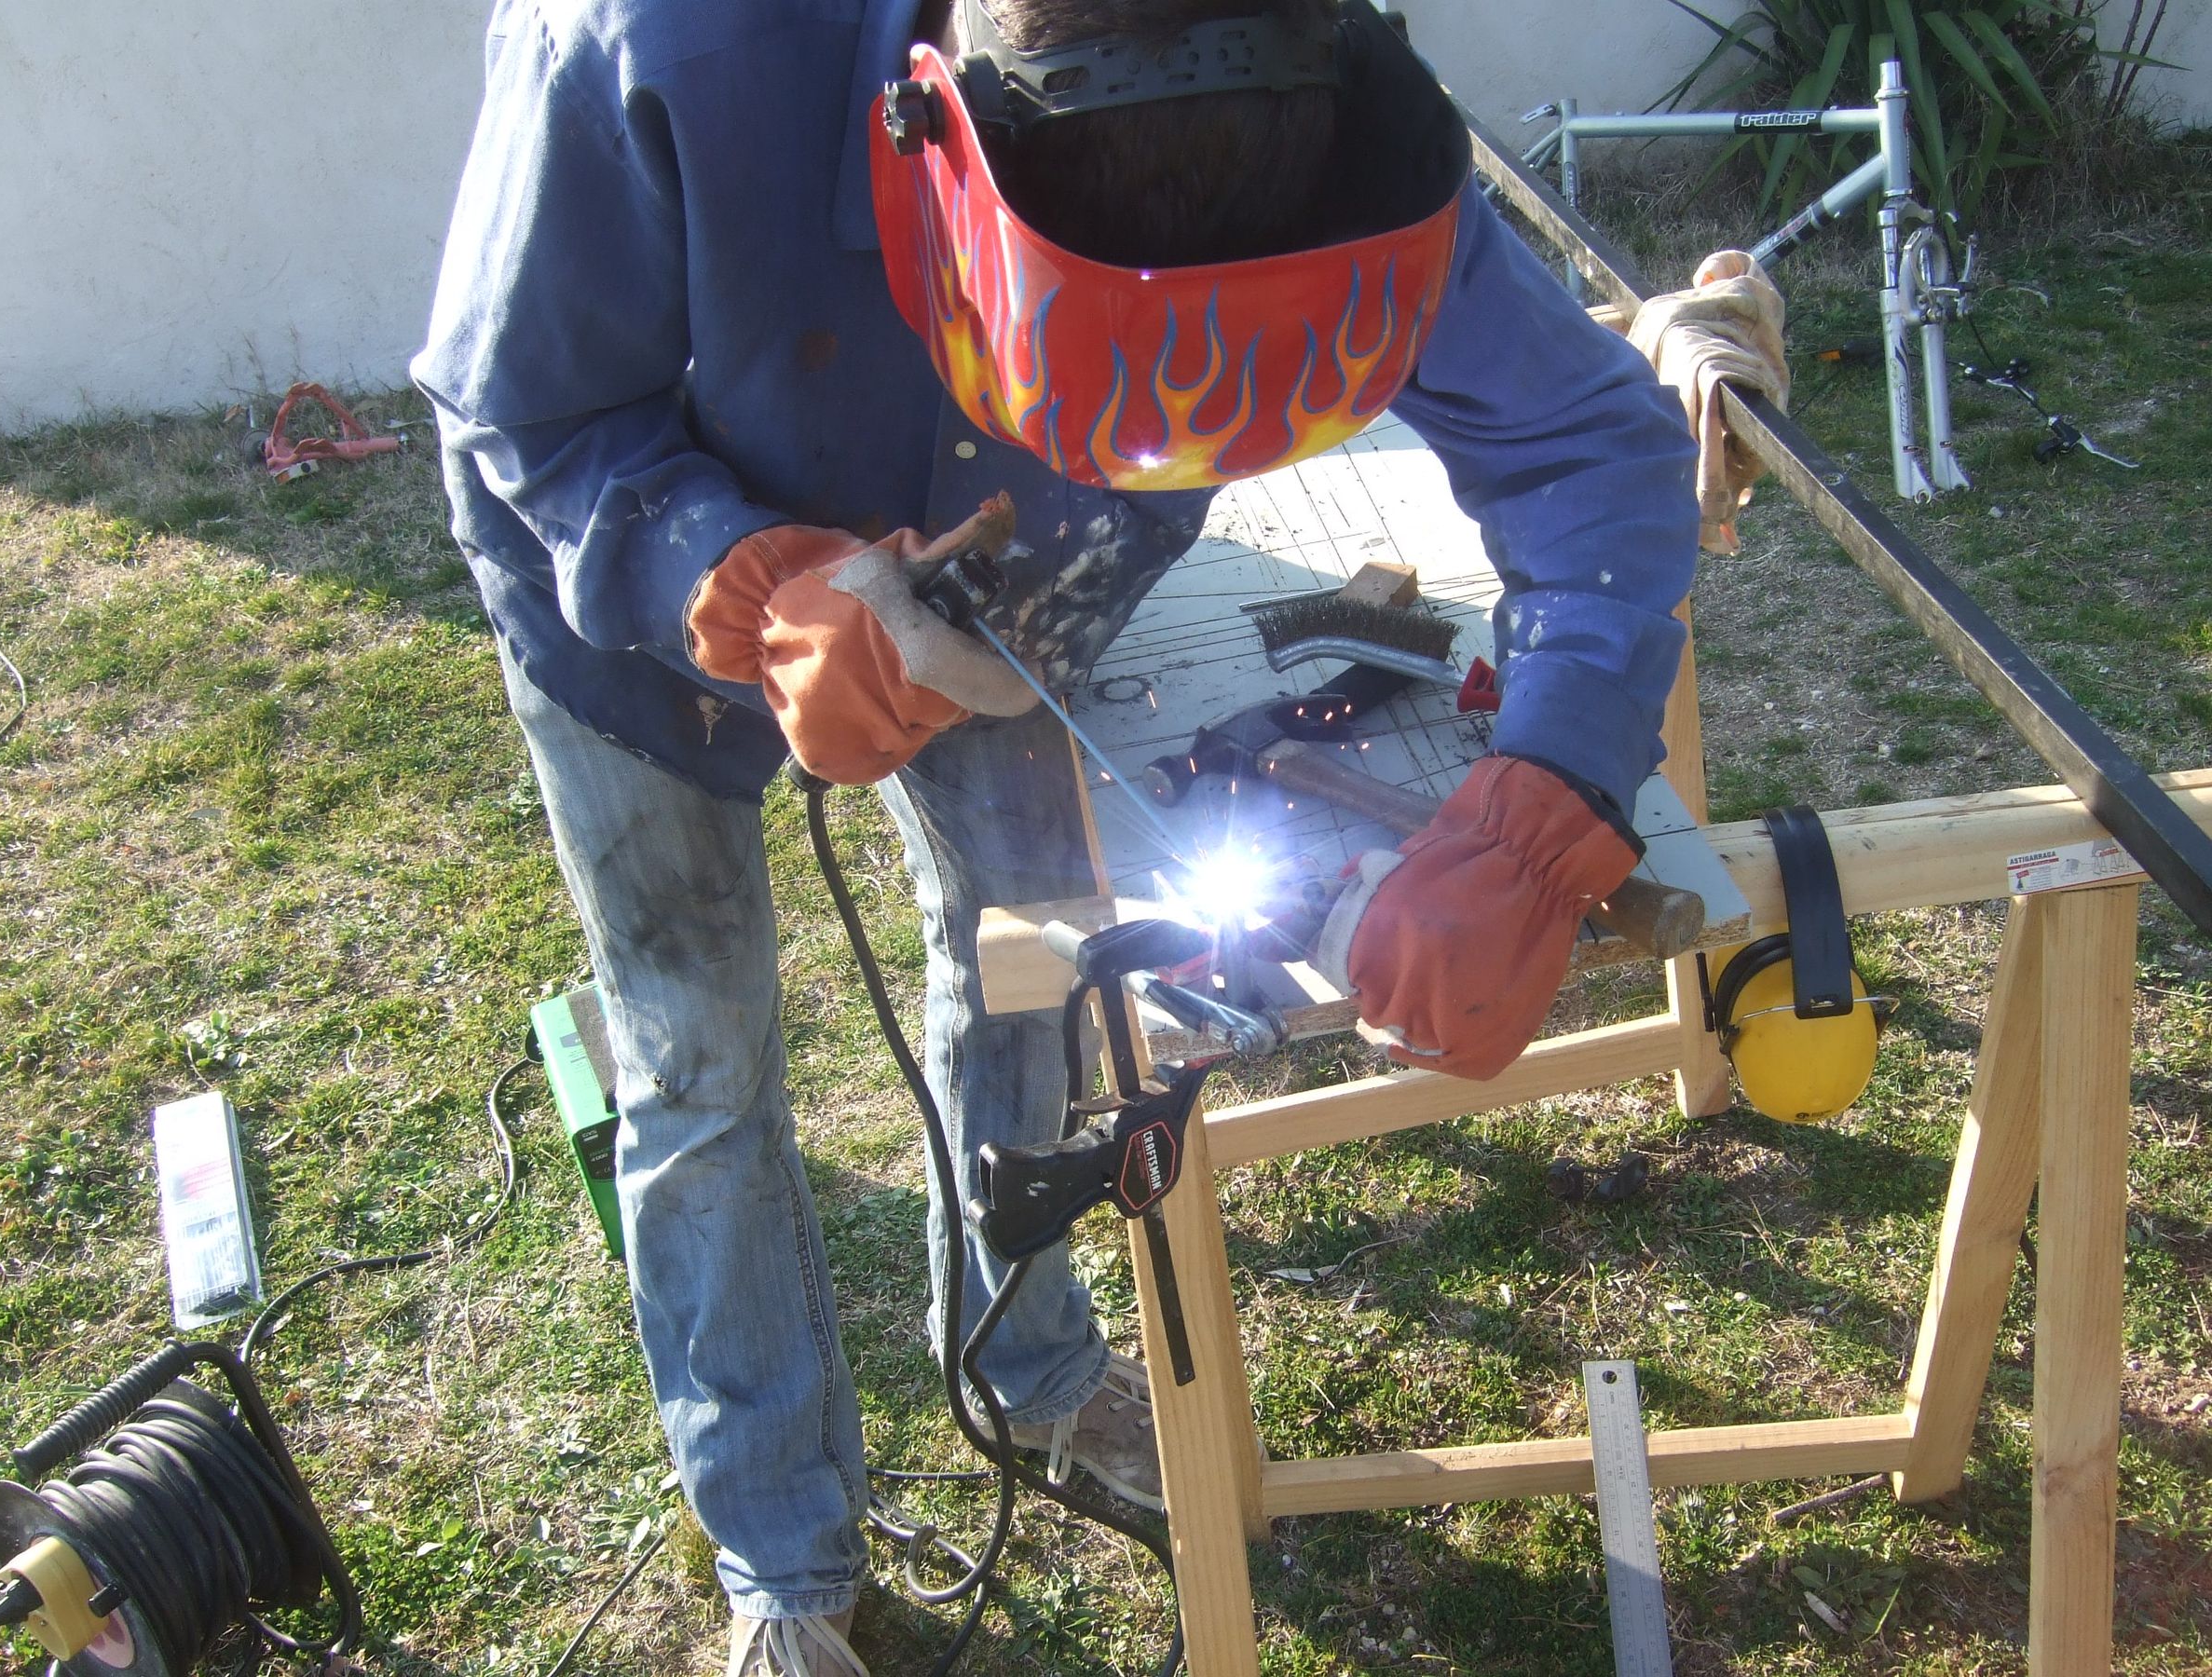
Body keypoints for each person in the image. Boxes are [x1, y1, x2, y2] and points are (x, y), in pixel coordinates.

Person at [413, 0, 1700, 1670]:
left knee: (1028, 955)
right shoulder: (667, 41)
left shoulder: (1334, 123)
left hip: (1026, 594)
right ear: (942, 148)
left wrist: (1553, 791)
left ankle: (1026, 1368)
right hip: (631, 580)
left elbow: (1592, 445)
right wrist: (737, 587)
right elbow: (532, 409)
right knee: (696, 1063)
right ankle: (784, 1567)